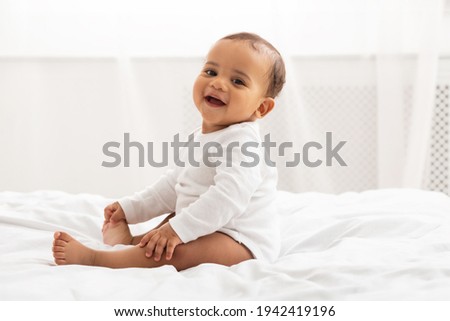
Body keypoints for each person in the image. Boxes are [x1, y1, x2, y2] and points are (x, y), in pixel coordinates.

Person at [52, 32, 286, 271]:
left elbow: (227, 198)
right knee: (174, 220)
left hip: (241, 240)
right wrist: (131, 208)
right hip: (211, 224)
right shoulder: (203, 136)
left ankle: (97, 259)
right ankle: (133, 245)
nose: (217, 83)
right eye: (211, 72)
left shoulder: (244, 145)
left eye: (238, 81)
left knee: (178, 245)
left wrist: (176, 230)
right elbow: (175, 186)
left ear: (262, 107)